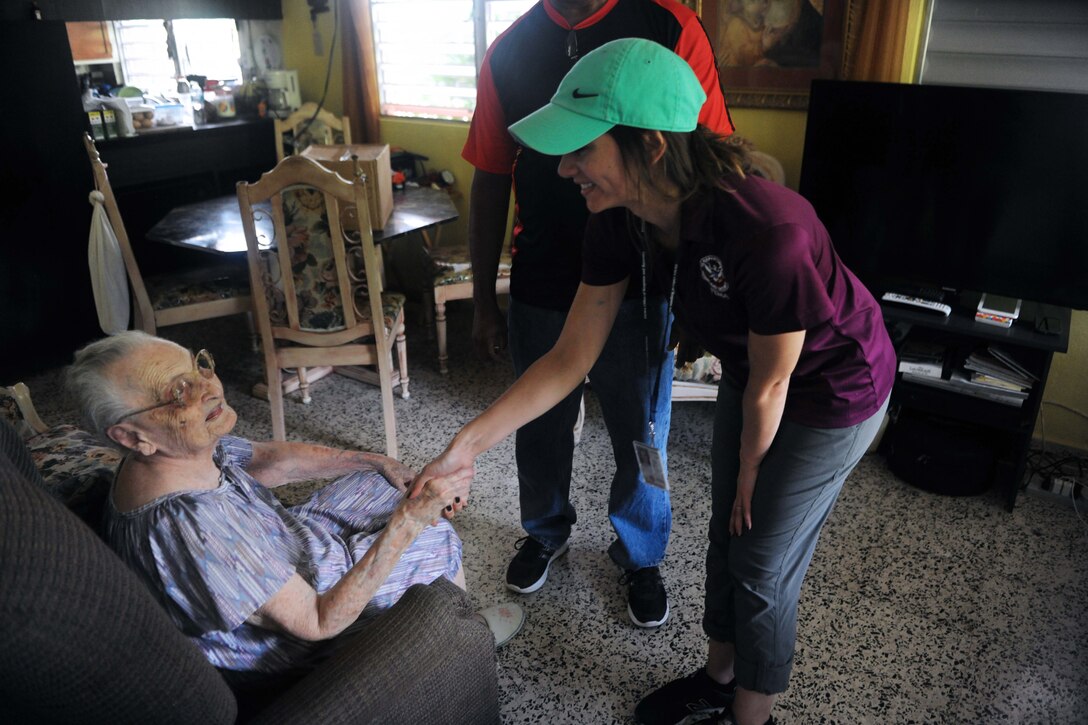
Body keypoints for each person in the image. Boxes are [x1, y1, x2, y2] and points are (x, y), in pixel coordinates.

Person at [414, 39, 895, 725]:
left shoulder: (769, 228)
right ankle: (719, 676)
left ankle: (750, 715)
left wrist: (752, 471)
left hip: (833, 390)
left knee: (760, 556)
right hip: (754, 374)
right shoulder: (619, 219)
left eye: (583, 147)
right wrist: (467, 443)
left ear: (652, 146)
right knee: (727, 541)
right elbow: (568, 357)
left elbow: (775, 381)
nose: (564, 166)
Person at [462, 0, 734, 629]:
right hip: (545, 278)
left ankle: (641, 554)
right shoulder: (510, 48)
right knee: (541, 423)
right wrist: (483, 300)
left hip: (641, 282)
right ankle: (544, 530)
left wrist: (695, 300)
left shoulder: (669, 27)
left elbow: (708, 161)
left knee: (643, 433)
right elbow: (488, 176)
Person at [65, 331, 523, 676]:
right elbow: (316, 621)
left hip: (286, 545)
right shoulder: (193, 528)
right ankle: (456, 645)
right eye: (176, 392)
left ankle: (438, 616)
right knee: (433, 533)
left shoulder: (178, 447)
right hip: (303, 628)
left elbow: (269, 460)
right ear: (130, 436)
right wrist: (409, 523)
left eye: (198, 367)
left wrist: (373, 461)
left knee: (389, 487)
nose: (208, 388)